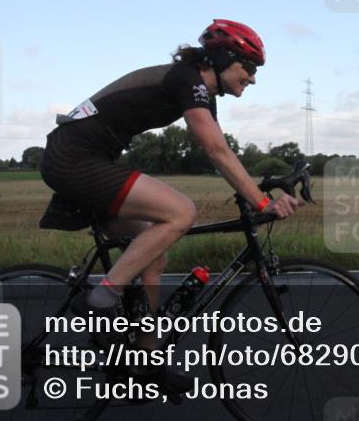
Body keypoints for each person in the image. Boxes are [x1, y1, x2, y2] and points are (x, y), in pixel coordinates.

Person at [40, 19, 301, 322]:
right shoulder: (186, 80)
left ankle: (147, 359)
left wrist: (260, 188)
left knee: (154, 256)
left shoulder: (197, 90)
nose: (253, 79)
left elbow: (221, 152)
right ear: (226, 60)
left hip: (87, 158)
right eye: (250, 68)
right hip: (73, 159)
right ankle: (102, 297)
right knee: (181, 213)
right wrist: (263, 203)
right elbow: (216, 151)